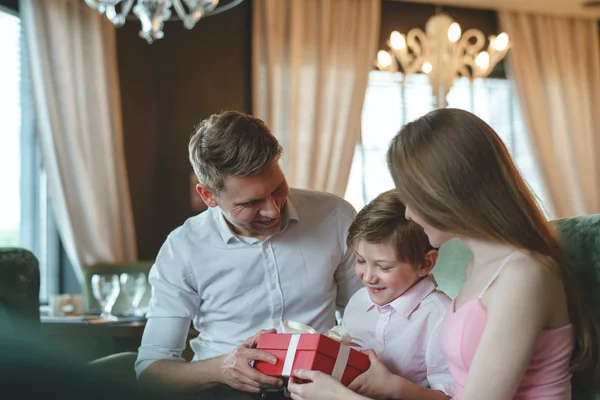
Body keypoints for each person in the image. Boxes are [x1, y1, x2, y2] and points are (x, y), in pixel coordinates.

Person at [288, 108, 600, 400]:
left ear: (448, 193)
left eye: (413, 198)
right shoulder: (480, 266)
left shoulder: (523, 274)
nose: (409, 214)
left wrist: (338, 396)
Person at [134, 111, 362, 399]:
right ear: (208, 196)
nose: (272, 210)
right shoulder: (182, 249)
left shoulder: (335, 216)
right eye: (251, 202)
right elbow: (151, 372)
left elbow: (367, 319)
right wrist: (221, 369)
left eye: (278, 189)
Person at [341, 189, 453, 400]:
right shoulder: (357, 302)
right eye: (360, 261)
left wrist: (395, 387)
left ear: (425, 263)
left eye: (383, 267)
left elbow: (450, 396)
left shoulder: (440, 317)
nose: (368, 277)